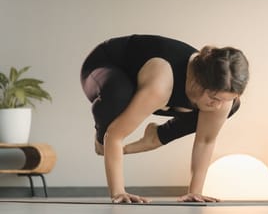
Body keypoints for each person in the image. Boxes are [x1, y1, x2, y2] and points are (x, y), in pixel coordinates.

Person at [80, 34, 249, 204]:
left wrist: (195, 193)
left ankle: (157, 136)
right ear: (198, 83)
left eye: (225, 99)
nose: (219, 105)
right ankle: (100, 142)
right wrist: (118, 192)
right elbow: (115, 135)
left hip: (152, 89)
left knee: (228, 109)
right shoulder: (160, 84)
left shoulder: (222, 94)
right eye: (215, 98)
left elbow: (205, 141)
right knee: (118, 93)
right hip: (105, 66)